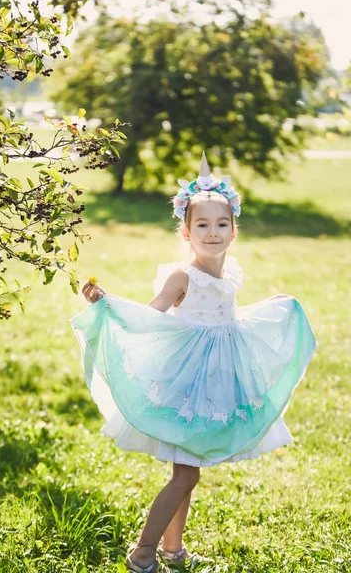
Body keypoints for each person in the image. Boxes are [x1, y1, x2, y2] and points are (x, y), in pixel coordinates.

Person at [70, 152, 317, 573]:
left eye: (222, 224)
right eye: (202, 224)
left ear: (234, 231)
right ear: (186, 231)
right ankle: (143, 553)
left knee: (189, 472)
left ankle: (172, 549)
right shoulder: (181, 276)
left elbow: (225, 317)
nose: (213, 232)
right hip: (188, 384)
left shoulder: (229, 272)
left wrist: (272, 305)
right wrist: (109, 304)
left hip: (219, 378)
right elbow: (151, 314)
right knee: (186, 475)